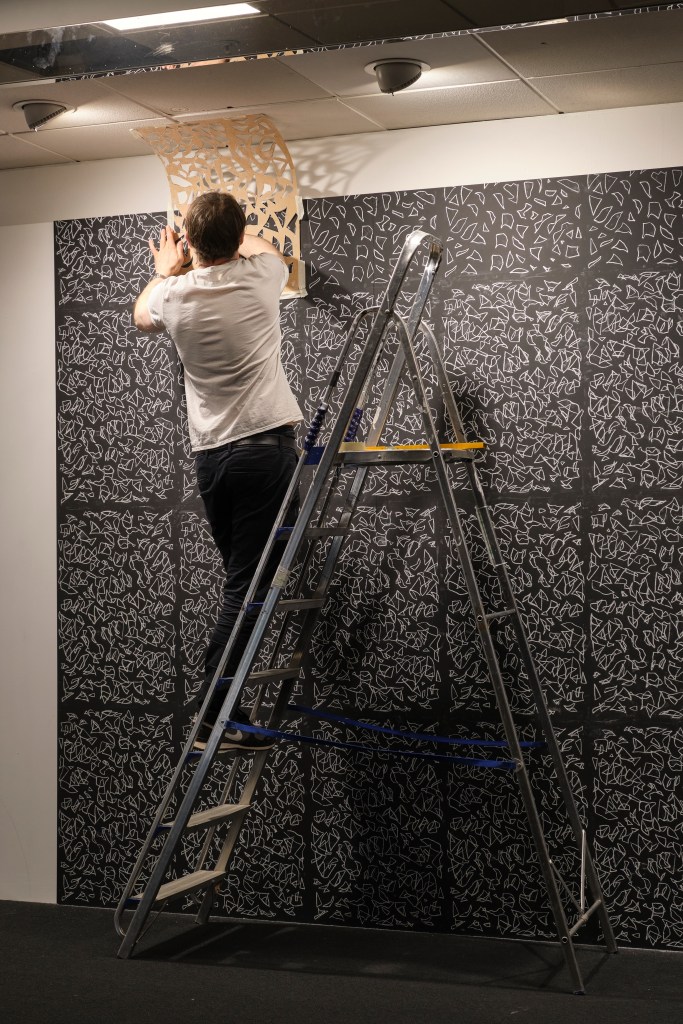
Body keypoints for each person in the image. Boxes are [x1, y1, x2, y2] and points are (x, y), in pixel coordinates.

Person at [133, 191, 302, 750]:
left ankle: (226, 711)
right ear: (237, 236)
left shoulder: (172, 294)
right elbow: (268, 247)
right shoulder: (261, 277)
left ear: (188, 239)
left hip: (212, 459)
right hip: (263, 450)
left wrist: (168, 267)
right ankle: (214, 716)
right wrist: (233, 231)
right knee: (246, 588)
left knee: (243, 582)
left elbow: (140, 314)